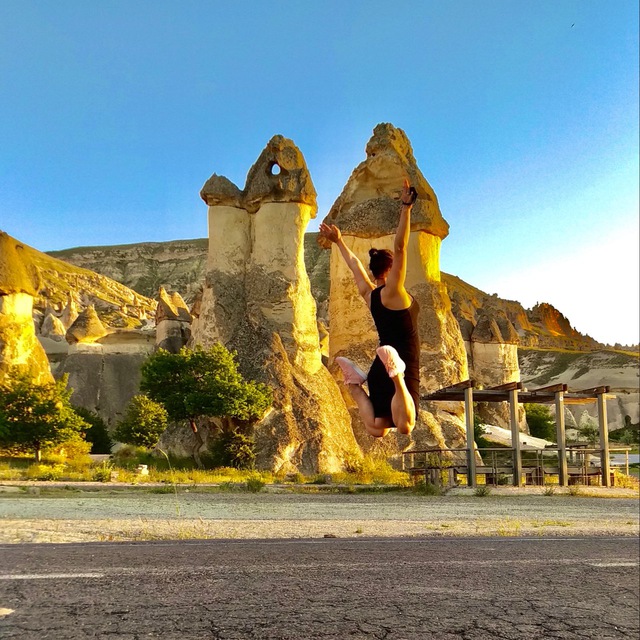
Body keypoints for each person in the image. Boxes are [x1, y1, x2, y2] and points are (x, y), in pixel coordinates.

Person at [319, 179, 420, 437]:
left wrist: (339, 241)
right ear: (390, 268)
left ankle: (355, 384)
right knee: (405, 426)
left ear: (374, 271)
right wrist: (406, 208)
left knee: (377, 428)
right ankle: (397, 375)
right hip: (402, 361)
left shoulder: (370, 295)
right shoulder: (395, 292)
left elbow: (355, 265)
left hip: (378, 367)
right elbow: (400, 247)